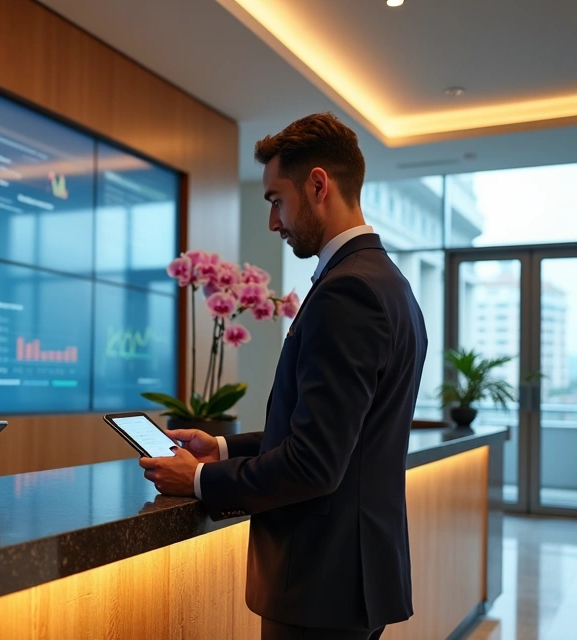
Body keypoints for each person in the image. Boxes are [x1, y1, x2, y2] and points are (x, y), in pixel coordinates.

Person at [139, 113, 427, 640]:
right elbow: (336, 434)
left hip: (321, 585)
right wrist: (222, 449)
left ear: (318, 184)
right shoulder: (389, 283)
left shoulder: (348, 292)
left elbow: (315, 464)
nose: (274, 221)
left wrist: (199, 480)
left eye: (276, 199)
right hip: (350, 580)